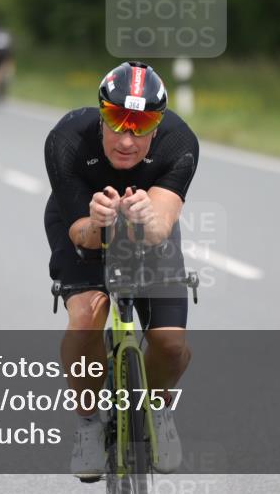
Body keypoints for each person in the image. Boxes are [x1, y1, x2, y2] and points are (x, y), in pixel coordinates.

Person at [43, 61, 199, 479]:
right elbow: (79, 232)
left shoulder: (178, 142)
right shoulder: (66, 140)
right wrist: (96, 223)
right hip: (82, 221)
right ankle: (89, 422)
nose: (127, 139)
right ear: (101, 113)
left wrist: (147, 218)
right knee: (86, 318)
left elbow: (161, 227)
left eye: (142, 124)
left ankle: (159, 407)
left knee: (169, 344)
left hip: (147, 226)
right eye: (116, 121)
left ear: (158, 124)